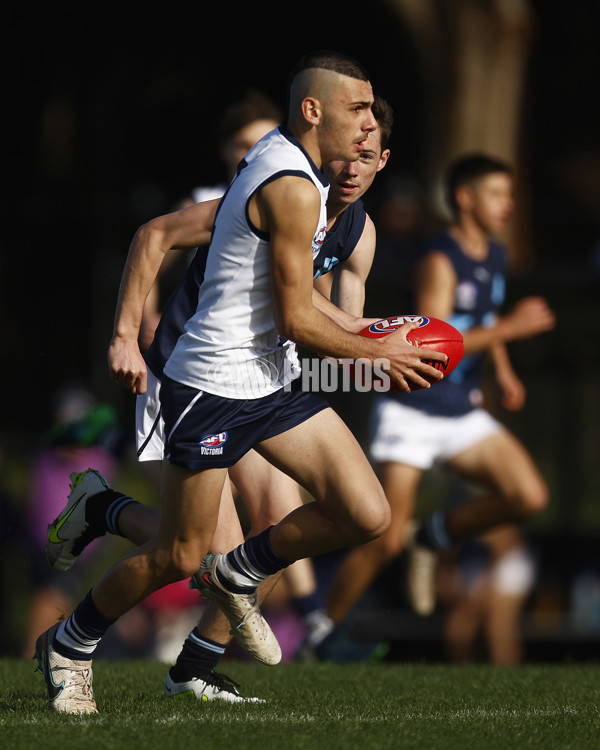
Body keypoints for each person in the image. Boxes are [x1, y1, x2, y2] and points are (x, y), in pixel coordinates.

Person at [36, 50, 445, 715]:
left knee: (364, 512)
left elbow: (325, 322)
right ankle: (71, 642)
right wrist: (382, 349)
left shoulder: (324, 194)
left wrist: (380, 354)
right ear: (313, 112)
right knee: (181, 554)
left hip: (272, 377)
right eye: (359, 110)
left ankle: (233, 581)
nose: (369, 129)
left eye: (374, 118)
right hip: (211, 383)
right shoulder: (288, 185)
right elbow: (299, 316)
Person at [324, 152, 555, 632]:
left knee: (528, 496)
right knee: (383, 539)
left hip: (460, 411)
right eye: (496, 194)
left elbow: (485, 321)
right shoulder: (437, 259)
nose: (507, 204)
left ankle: (431, 537)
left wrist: (504, 368)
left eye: (509, 194)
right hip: (413, 408)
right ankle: (319, 631)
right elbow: (437, 341)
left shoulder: (496, 254)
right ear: (464, 199)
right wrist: (511, 330)